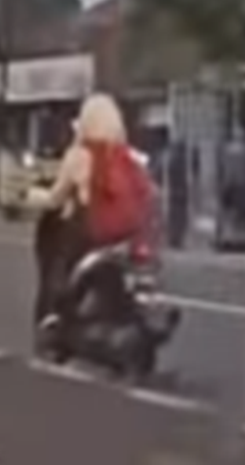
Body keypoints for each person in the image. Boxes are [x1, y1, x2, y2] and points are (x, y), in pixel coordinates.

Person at [25, 93, 156, 335]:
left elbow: (56, 197)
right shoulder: (130, 156)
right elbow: (150, 194)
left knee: (58, 263)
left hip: (92, 233)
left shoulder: (79, 156)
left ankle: (54, 314)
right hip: (127, 235)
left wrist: (33, 196)